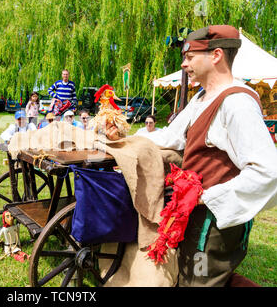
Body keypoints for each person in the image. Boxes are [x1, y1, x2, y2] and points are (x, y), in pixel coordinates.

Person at [106, 25, 277, 286]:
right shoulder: (202, 98)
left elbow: (268, 170)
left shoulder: (236, 103)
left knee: (200, 279)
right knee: (197, 275)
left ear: (216, 55)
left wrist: (206, 197)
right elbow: (170, 136)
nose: (184, 64)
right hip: (196, 214)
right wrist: (123, 139)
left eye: (190, 57)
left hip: (214, 220)